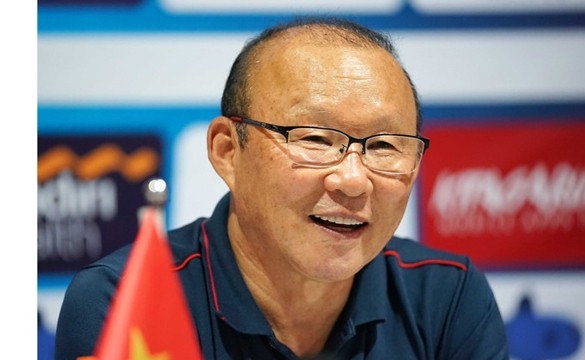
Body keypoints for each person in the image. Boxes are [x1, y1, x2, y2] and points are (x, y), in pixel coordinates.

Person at [55, 17, 509, 359]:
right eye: (314, 138)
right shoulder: (126, 300)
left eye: (385, 145)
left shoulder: (446, 296)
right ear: (228, 151)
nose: (353, 180)